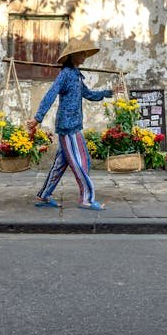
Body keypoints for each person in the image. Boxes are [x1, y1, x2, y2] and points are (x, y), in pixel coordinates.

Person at [27, 37, 123, 211]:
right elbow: (51, 94)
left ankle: (44, 195)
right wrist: (38, 118)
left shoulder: (77, 76)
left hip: (73, 125)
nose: (85, 56)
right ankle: (86, 199)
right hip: (68, 127)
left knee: (60, 163)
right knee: (82, 161)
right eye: (82, 53)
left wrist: (109, 92)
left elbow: (89, 94)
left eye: (85, 53)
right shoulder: (65, 74)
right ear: (73, 56)